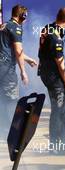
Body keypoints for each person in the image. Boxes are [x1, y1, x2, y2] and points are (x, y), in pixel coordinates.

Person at [38, 8, 65, 154]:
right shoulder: (56, 37)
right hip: (54, 77)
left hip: (46, 73)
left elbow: (41, 46)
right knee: (58, 110)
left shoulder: (48, 28)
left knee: (64, 108)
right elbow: (61, 64)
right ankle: (54, 145)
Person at [0, 4, 37, 138]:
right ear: (23, 16)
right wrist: (23, 72)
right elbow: (17, 50)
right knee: (11, 100)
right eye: (25, 16)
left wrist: (27, 60)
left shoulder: (4, 25)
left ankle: (3, 131)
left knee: (2, 100)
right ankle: (12, 134)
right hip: (7, 70)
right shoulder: (16, 28)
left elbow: (11, 50)